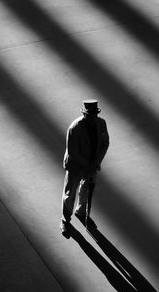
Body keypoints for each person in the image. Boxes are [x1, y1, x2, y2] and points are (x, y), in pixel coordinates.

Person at [60, 99, 109, 238]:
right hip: (76, 165)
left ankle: (81, 212)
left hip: (92, 164)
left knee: (87, 189)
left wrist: (97, 161)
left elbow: (105, 143)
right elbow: (72, 152)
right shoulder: (74, 128)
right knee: (70, 193)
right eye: (90, 115)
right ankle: (65, 221)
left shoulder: (101, 123)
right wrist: (88, 165)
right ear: (85, 114)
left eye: (95, 114)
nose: (93, 117)